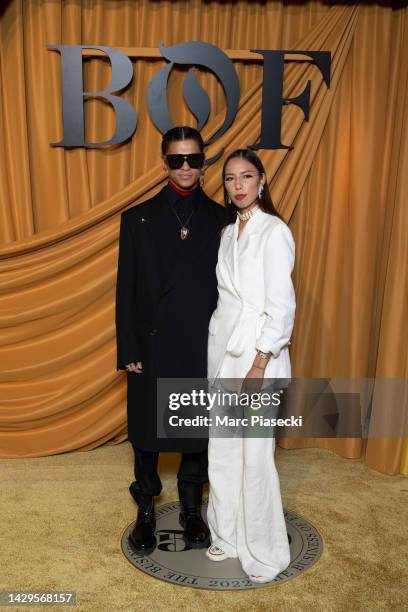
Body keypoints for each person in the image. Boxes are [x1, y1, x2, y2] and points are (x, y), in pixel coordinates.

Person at [115, 126, 225, 555]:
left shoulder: (221, 218)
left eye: (193, 160)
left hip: (200, 342)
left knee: (194, 433)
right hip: (151, 343)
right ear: (164, 162)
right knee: (146, 433)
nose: (185, 168)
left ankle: (191, 509)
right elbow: (126, 290)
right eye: (177, 160)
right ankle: (144, 510)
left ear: (203, 163)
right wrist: (129, 349)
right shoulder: (136, 218)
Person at [206, 148, 295, 583]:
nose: (237, 185)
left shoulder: (274, 232)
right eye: (229, 178)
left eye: (246, 177)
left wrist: (260, 364)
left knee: (256, 456)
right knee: (222, 452)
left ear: (261, 181)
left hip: (259, 360)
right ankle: (226, 533)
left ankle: (263, 549)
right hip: (223, 355)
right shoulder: (226, 233)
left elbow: (281, 308)